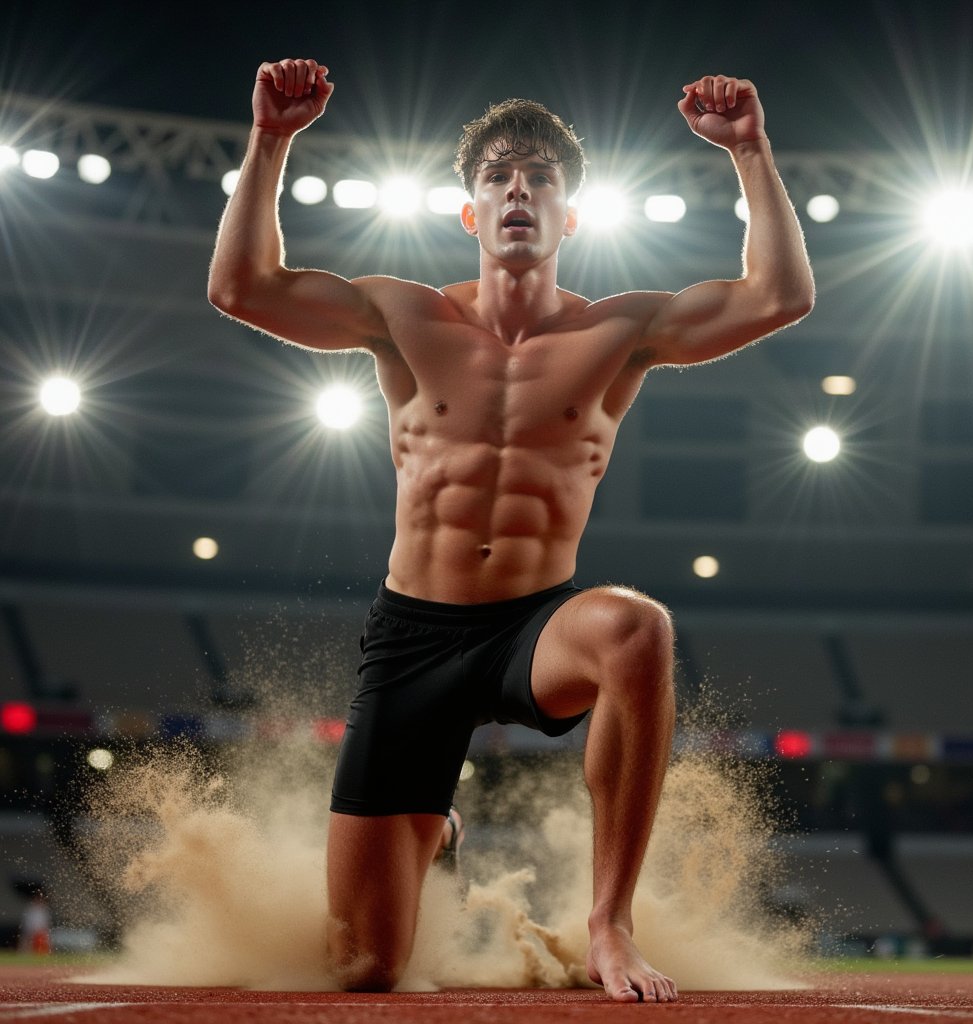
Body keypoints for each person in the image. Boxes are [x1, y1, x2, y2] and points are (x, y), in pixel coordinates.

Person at [208, 58, 814, 1003]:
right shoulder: (402, 314)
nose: (519, 188)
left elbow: (779, 296)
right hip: (414, 636)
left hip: (535, 628)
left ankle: (608, 921)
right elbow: (242, 286)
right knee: (364, 969)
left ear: (570, 218)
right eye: (497, 176)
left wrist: (750, 150)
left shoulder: (621, 330)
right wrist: (271, 140)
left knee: (634, 628)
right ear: (471, 213)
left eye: (540, 178)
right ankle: (433, 837)